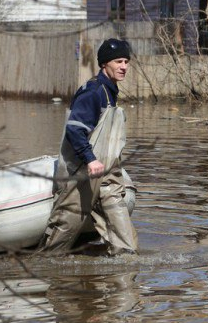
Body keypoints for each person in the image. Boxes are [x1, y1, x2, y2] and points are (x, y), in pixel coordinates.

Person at [37, 38, 138, 256]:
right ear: (104, 64)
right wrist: (90, 159)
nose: (124, 67)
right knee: (63, 233)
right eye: (118, 62)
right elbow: (74, 130)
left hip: (107, 175)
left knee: (125, 241)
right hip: (82, 171)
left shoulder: (110, 91)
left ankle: (125, 268)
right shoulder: (93, 92)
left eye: (126, 61)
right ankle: (44, 266)